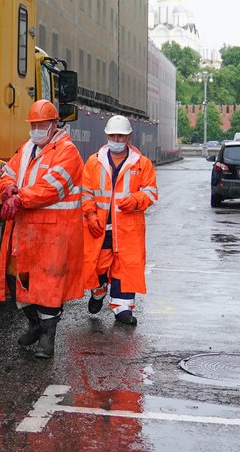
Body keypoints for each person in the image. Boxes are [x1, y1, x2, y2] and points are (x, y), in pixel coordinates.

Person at [0, 100, 86, 359]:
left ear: (54, 124)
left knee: (49, 287)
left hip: (53, 236)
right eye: (34, 125)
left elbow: (51, 188)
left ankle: (47, 340)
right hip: (25, 234)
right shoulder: (26, 149)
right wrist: (8, 189)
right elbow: (7, 173)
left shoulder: (68, 152)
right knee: (17, 281)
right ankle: (35, 325)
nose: (37, 129)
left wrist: (19, 198)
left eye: (42, 124)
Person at [80, 115, 159, 325]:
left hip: (127, 229)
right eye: (113, 135)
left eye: (121, 136)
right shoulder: (94, 162)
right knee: (96, 264)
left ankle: (123, 308)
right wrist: (90, 215)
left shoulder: (142, 164)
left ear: (128, 137)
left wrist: (135, 200)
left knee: (125, 266)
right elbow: (85, 192)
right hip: (99, 227)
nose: (116, 139)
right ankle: (98, 290)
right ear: (107, 135)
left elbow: (151, 192)